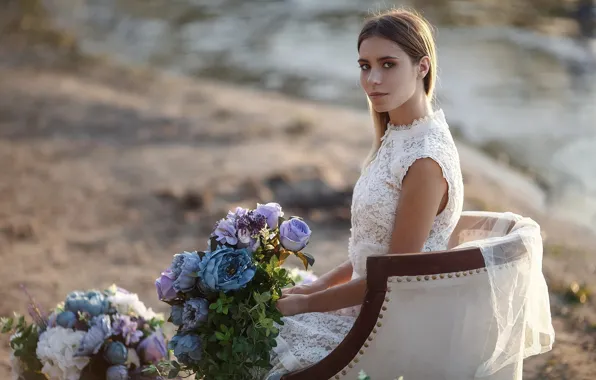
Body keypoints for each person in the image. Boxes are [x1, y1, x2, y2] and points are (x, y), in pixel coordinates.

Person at [266, 8, 464, 379]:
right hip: (365, 298)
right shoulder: (398, 136)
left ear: (422, 67)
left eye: (388, 64)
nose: (373, 79)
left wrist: (310, 303)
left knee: (258, 344)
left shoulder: (424, 160)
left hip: (386, 323)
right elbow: (374, 250)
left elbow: (394, 275)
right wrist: (320, 284)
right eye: (365, 65)